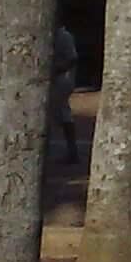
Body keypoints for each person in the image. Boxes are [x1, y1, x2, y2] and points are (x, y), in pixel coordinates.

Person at [49, 23, 81, 164]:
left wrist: (56, 70)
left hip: (62, 80)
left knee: (60, 112)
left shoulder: (63, 36)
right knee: (61, 113)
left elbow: (72, 58)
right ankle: (71, 150)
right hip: (57, 79)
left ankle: (72, 151)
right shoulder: (52, 34)